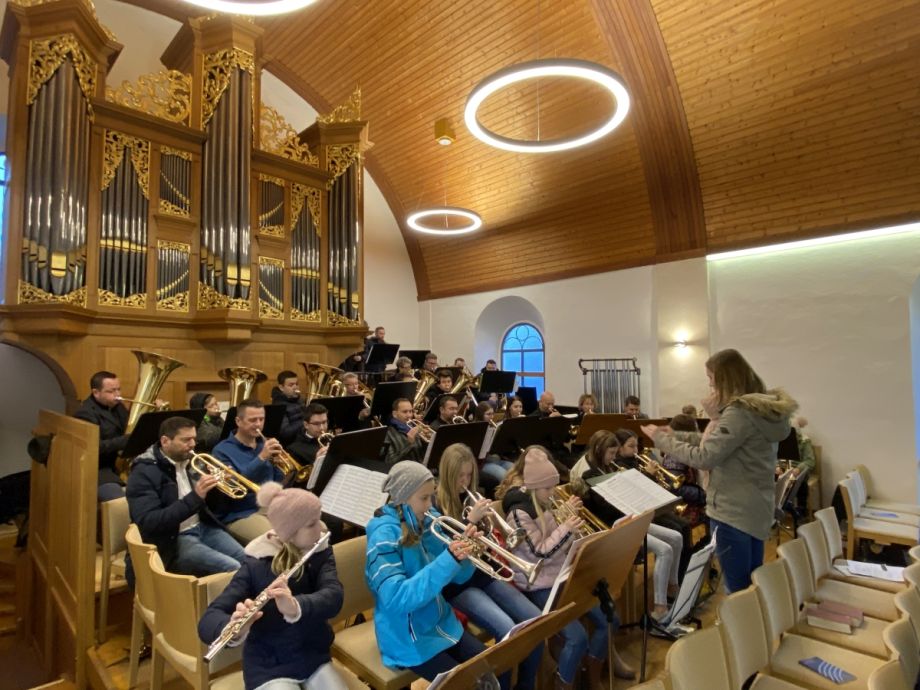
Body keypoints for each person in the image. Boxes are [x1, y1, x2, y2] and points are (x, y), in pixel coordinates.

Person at [641, 348, 797, 593]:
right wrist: (678, 435)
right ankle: (756, 629)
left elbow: (705, 457)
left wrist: (662, 441)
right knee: (752, 584)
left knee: (737, 591)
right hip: (756, 508)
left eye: (712, 382)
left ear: (727, 381)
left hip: (731, 512)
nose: (711, 388)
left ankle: (739, 631)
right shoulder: (763, 411)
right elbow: (723, 443)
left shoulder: (739, 412)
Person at [503, 447, 635, 688]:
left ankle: (591, 676)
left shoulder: (543, 502)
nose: (553, 493)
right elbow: (541, 552)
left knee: (609, 619)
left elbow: (559, 544)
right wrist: (566, 528)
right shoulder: (518, 514)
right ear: (533, 487)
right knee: (577, 637)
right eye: (548, 488)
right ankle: (563, 683)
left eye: (554, 487)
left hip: (561, 575)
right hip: (538, 585)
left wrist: (568, 521)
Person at [198, 482, 348, 690]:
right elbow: (208, 619)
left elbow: (334, 596)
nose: (321, 527)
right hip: (269, 664)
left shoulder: (321, 553)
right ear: (290, 532)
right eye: (312, 524)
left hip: (313, 654)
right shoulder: (255, 564)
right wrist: (234, 626)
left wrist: (296, 606)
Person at [365, 461, 502, 687]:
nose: (430, 505)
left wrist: (467, 552)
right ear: (402, 497)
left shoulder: (426, 520)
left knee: (490, 671)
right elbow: (398, 599)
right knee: (468, 684)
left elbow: (459, 577)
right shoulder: (383, 537)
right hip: (408, 637)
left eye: (431, 497)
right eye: (424, 498)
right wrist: (449, 559)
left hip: (441, 622)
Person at [435, 444, 542, 690]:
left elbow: (487, 544)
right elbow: (444, 555)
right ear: (448, 475)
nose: (465, 481)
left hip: (484, 572)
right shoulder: (435, 505)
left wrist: (485, 525)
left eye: (469, 474)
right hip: (458, 585)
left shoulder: (473, 497)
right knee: (506, 629)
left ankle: (525, 685)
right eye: (459, 476)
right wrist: (468, 523)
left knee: (535, 621)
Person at [127, 416, 246, 576]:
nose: (192, 445)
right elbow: (149, 522)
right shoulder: (144, 472)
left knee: (247, 560)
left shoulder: (192, 462)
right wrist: (196, 496)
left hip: (204, 528)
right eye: (186, 440)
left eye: (194, 439)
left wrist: (219, 486)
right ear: (165, 441)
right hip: (173, 540)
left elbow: (214, 507)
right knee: (232, 567)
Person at [612, 429, 684, 615]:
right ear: (618, 449)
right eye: (631, 446)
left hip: (646, 511)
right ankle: (660, 606)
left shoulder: (634, 461)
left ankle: (673, 584)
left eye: (637, 445)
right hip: (630, 517)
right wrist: (649, 475)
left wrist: (653, 476)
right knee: (666, 547)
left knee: (678, 534)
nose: (636, 449)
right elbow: (634, 493)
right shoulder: (619, 466)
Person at [212, 399, 285, 544]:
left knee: (318, 529)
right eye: (252, 420)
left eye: (261, 419)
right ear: (238, 421)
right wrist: (261, 457)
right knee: (278, 541)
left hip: (270, 506)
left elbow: (277, 482)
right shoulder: (221, 451)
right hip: (241, 513)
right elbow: (234, 487)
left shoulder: (264, 443)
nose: (258, 424)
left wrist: (279, 466)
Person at [74, 370, 130, 501]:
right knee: (120, 501)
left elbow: (128, 427)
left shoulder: (117, 406)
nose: (118, 395)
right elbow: (95, 447)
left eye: (118, 389)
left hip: (119, 465)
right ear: (96, 392)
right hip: (99, 469)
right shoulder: (85, 413)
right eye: (111, 391)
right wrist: (125, 441)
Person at [472, 402, 513, 490]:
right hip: (482, 463)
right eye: (488, 414)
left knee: (515, 470)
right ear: (480, 415)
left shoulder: (492, 427)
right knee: (503, 475)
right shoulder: (474, 429)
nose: (492, 417)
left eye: (492, 414)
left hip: (495, 459)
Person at [384, 398, 426, 465]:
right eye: (405, 412)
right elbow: (389, 462)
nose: (409, 415)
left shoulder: (412, 426)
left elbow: (421, 455)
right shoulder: (388, 433)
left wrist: (427, 440)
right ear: (394, 414)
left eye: (410, 411)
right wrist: (409, 443)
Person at [287, 403, 330, 468]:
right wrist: (316, 462)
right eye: (316, 424)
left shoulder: (331, 439)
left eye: (324, 422)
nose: (322, 428)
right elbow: (297, 477)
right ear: (306, 425)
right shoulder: (294, 449)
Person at [271, 371, 304, 447]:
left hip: (303, 440)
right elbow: (285, 433)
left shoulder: (300, 400)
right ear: (281, 387)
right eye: (291, 385)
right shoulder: (278, 406)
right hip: (291, 445)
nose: (295, 387)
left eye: (297, 384)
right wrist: (306, 420)